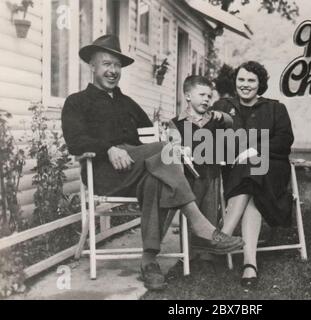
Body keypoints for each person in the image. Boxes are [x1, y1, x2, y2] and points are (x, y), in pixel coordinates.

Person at [61, 35, 244, 291]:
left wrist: (171, 132)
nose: (113, 71)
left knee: (156, 179)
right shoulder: (76, 102)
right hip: (104, 173)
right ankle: (201, 224)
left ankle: (149, 263)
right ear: (92, 65)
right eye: (106, 64)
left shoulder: (127, 103)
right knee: (165, 154)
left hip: (138, 171)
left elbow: (154, 133)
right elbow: (75, 140)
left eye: (117, 65)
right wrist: (109, 148)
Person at [212, 61, 295, 289]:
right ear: (235, 82)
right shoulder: (222, 106)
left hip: (271, 171)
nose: (245, 85)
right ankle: (250, 264)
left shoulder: (276, 108)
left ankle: (224, 233)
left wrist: (256, 149)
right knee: (251, 186)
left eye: (251, 80)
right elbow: (209, 137)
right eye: (241, 79)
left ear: (260, 84)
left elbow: (285, 140)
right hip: (237, 173)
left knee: (254, 166)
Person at [168, 75, 233, 262]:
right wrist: (180, 149)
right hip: (188, 176)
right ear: (188, 96)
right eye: (202, 94)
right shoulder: (176, 122)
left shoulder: (214, 119)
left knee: (211, 210)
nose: (206, 99)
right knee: (191, 213)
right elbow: (173, 147)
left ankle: (207, 254)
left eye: (209, 96)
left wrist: (223, 116)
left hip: (212, 173)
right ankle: (188, 254)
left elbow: (231, 122)